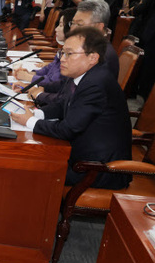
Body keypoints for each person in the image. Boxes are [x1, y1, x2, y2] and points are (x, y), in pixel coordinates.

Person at [11, 26, 132, 190]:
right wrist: (36, 113)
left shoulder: (96, 84)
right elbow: (63, 105)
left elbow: (68, 129)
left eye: (70, 54)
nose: (62, 59)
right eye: (63, 53)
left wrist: (30, 121)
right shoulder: (81, 74)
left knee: (28, 168)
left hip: (97, 168)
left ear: (92, 58)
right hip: (81, 154)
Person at [15, 8, 77, 106]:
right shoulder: (63, 50)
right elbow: (50, 68)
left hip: (52, 100)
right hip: (46, 94)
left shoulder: (73, 56)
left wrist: (29, 77)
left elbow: (55, 81)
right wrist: (33, 73)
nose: (56, 29)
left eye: (60, 25)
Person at [69, 0, 119, 77]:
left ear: (99, 27)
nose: (72, 29)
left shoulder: (102, 57)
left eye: (79, 24)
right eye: (72, 23)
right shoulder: (87, 46)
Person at [132, 0, 155, 99]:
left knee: (145, 65)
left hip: (150, 33)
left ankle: (142, 95)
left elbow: (143, 8)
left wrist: (134, 9)